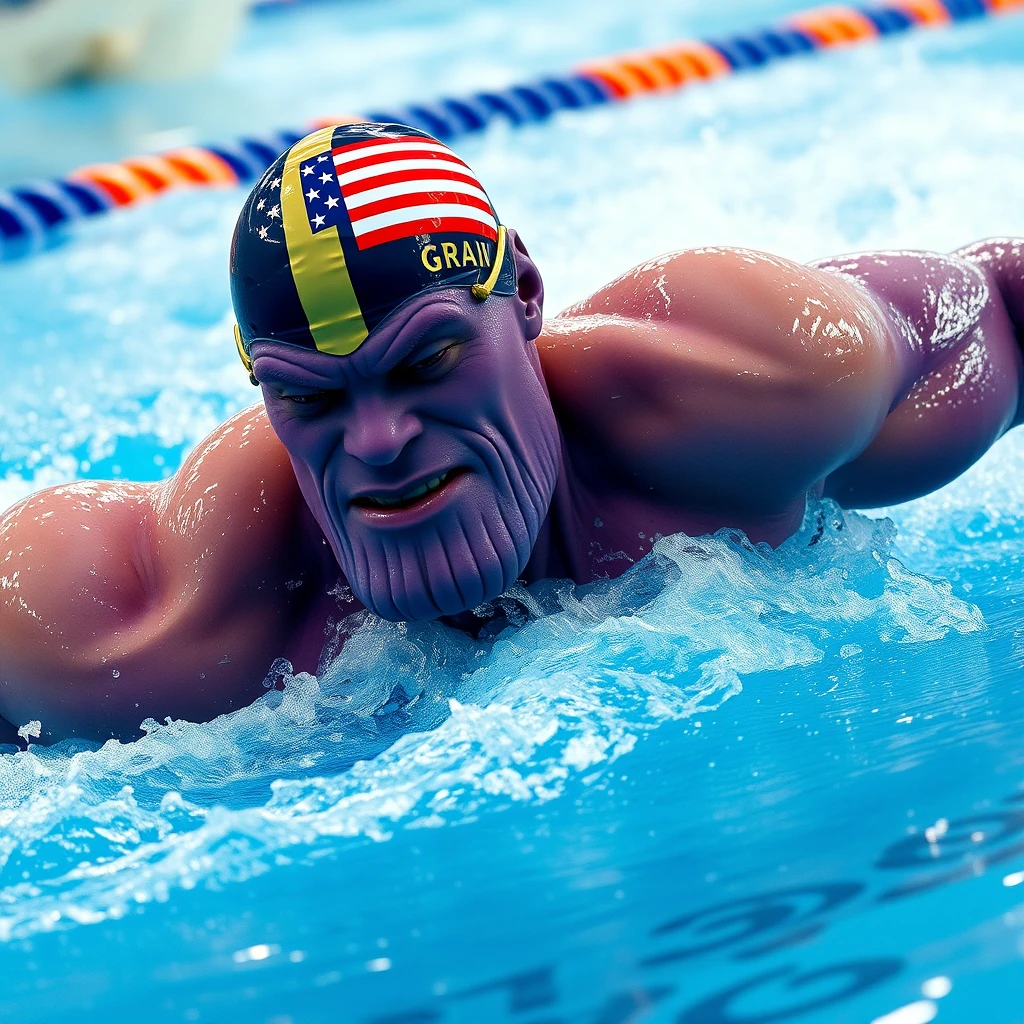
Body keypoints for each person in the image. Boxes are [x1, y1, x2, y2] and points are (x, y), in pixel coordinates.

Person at [2, 122, 1022, 743]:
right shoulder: (144, 626)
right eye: (313, 398)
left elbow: (1004, 305)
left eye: (427, 359)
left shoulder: (748, 386)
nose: (380, 437)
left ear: (525, 296)